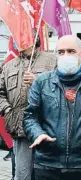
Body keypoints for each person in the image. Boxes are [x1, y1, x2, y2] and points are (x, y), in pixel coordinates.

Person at [23, 35, 81, 180]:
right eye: (61, 52)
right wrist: (37, 134)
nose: (65, 55)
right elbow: (29, 116)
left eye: (71, 51)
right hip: (47, 163)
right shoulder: (42, 82)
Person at [0, 33, 57, 180]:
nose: (18, 41)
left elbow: (61, 88)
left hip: (46, 128)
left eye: (22, 36)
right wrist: (7, 109)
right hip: (19, 129)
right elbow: (0, 93)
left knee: (46, 174)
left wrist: (37, 81)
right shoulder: (8, 66)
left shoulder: (52, 61)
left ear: (35, 39)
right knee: (22, 175)